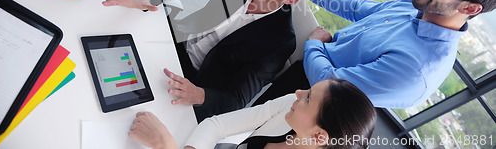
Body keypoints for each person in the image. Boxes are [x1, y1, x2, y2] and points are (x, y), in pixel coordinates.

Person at [256, 0, 496, 109]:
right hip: (307, 66)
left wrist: (315, 46)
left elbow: (326, 85)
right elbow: (357, 9)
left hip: (309, 107)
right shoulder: (416, 7)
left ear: (469, 8)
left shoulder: (416, 71)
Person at [102, 0, 322, 121]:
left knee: (123, 114)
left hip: (192, 81)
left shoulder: (279, 42)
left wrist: (199, 95)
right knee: (104, 56)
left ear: (291, 0)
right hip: (171, 40)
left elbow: (237, 99)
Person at [128, 79, 377, 149]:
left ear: (319, 136)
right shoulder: (291, 105)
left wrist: (165, 145)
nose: (298, 91)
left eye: (308, 98)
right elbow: (217, 125)